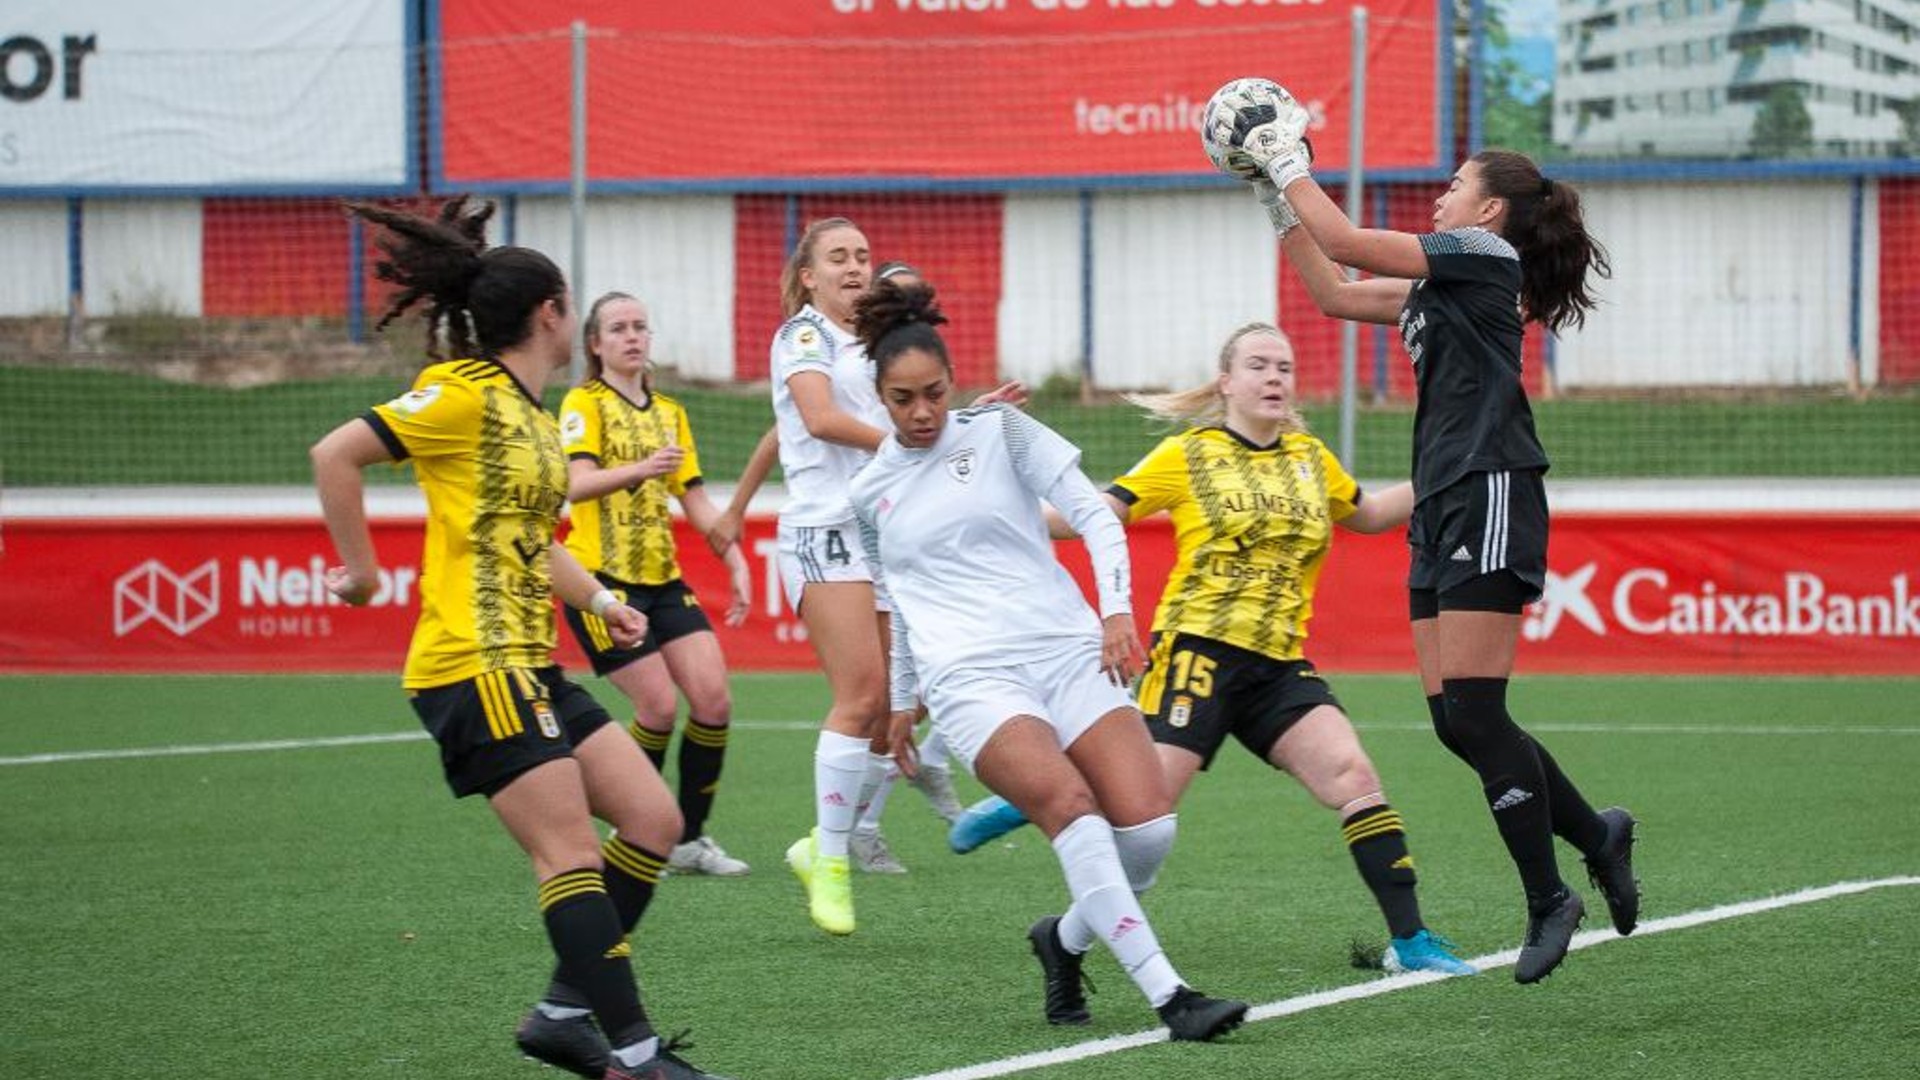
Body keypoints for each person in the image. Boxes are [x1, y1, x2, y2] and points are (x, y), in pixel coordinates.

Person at [310, 197, 730, 1080]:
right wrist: (362, 572)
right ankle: (639, 1056)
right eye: (571, 303)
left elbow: (530, 542)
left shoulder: (535, 418)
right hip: (472, 664)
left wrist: (603, 599)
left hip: (529, 662)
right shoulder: (460, 392)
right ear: (551, 314)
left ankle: (561, 1015)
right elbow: (335, 453)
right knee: (569, 854)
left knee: (652, 820)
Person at [949, 323, 1479, 975]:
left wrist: (1450, 477)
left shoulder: (1311, 458)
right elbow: (1096, 510)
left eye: (1284, 367)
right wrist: (994, 510)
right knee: (1143, 809)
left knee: (1356, 778)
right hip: (1197, 655)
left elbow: (1367, 512)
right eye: (1258, 365)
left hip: (1279, 665)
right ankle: (1042, 796)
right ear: (1226, 381)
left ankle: (1412, 942)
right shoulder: (1188, 454)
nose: (1274, 378)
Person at [1239, 129, 1639, 983]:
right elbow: (1334, 291)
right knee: (1454, 721)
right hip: (1443, 497)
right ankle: (1599, 835)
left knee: (1479, 711)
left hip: (1491, 484)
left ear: (1489, 209)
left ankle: (1549, 897)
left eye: (1454, 184)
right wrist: (1278, 201)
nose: (1441, 196)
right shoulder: (1439, 282)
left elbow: (1346, 240)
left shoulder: (1483, 251)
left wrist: (1286, 159)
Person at [847, 278, 1249, 1041]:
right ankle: (1173, 998)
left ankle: (1062, 942)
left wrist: (1116, 611)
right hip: (971, 678)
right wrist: (902, 699)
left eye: (933, 392)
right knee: (1072, 808)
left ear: (953, 379)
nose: (923, 412)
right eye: (903, 399)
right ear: (880, 395)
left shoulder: (1002, 431)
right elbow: (893, 604)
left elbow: (1097, 514)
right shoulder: (869, 494)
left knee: (1149, 830)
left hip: (1065, 650)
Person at [711, 259, 968, 833]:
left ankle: (864, 824)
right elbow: (807, 423)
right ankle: (833, 844)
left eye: (861, 257)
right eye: (840, 257)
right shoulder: (807, 338)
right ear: (807, 275)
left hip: (886, 526)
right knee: (868, 694)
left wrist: (966, 425)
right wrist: (734, 508)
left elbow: (919, 423)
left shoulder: (874, 356)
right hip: (828, 531)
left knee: (912, 685)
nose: (854, 266)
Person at [559, 291, 753, 878]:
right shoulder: (581, 402)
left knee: (714, 701)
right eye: (618, 328)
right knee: (658, 705)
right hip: (599, 580)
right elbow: (576, 483)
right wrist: (642, 469)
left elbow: (693, 497)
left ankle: (689, 841)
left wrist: (735, 558)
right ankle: (634, 824)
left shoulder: (669, 411)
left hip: (663, 580)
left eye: (641, 326)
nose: (633, 337)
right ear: (595, 344)